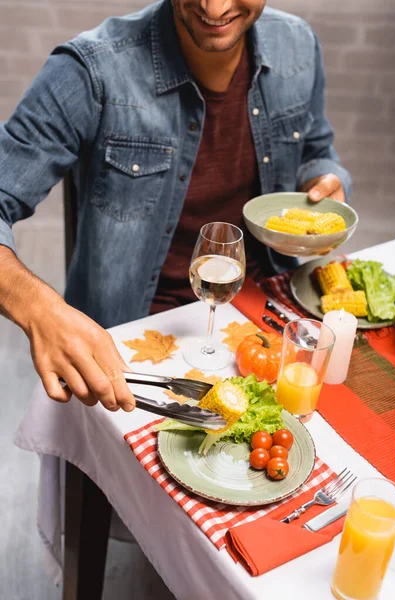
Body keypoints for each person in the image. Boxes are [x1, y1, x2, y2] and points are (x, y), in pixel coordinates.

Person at [0, 0, 351, 413]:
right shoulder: (89, 70)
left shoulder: (297, 45)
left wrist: (321, 182)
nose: (214, 6)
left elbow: (316, 149)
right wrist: (40, 309)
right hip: (132, 344)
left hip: (264, 321)